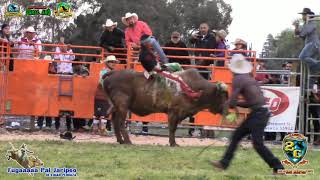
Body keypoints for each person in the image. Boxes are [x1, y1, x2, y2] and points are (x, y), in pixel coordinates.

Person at [210, 54, 284, 175]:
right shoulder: (249, 79)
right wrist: (233, 103)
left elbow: (233, 102)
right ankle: (224, 163)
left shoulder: (237, 79)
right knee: (237, 136)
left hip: (258, 114)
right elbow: (250, 102)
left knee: (257, 144)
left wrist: (225, 104)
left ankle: (278, 167)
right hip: (260, 112)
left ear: (232, 68)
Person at [140, 34, 202, 99]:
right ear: (145, 43)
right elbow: (154, 68)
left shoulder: (146, 52)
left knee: (176, 66)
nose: (151, 43)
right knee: (178, 78)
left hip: (155, 69)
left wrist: (163, 66)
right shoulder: (145, 55)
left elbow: (154, 64)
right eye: (149, 41)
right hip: (154, 73)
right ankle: (191, 94)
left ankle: (182, 84)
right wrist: (164, 68)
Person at [91, 55, 118, 135]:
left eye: (114, 62)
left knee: (98, 113)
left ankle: (95, 130)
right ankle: (102, 129)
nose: (113, 63)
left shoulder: (105, 71)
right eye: (111, 62)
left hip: (101, 94)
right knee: (104, 113)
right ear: (107, 63)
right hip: (104, 94)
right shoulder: (106, 72)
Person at [294, 8, 320, 73]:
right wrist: (296, 27)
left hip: (313, 44)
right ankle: (311, 82)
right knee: (312, 68)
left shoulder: (312, 22)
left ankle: (318, 64)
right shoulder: (306, 24)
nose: (302, 16)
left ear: (307, 15)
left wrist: (299, 32)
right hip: (311, 44)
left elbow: (304, 32)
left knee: (302, 57)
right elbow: (300, 35)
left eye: (303, 15)